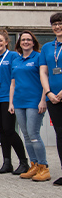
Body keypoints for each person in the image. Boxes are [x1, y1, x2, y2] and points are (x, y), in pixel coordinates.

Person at [8, 31, 50, 181]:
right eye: (23, 40)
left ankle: (44, 167)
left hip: (34, 102)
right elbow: (13, 84)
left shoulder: (39, 57)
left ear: (33, 42)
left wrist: (43, 99)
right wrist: (11, 102)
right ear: (19, 43)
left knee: (34, 134)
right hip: (19, 102)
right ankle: (34, 165)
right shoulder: (16, 60)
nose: (25, 42)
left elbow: (45, 78)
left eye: (28, 40)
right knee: (26, 135)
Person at [0, 29, 29, 175]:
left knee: (9, 130)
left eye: (0, 40)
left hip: (8, 99)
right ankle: (7, 162)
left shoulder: (13, 56)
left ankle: (24, 162)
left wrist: (13, 101)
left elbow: (16, 78)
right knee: (2, 131)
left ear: (6, 42)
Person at [40, 13, 62, 186]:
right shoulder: (48, 47)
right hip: (53, 97)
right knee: (60, 135)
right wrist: (48, 92)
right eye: (54, 24)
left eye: (60, 23)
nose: (57, 27)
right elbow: (43, 71)